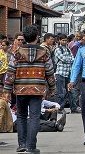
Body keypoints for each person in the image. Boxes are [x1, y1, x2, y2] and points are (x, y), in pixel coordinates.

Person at [2, 25, 56, 153]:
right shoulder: (44, 52)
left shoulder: (17, 52)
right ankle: (31, 146)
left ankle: (22, 144)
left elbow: (10, 72)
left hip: (20, 89)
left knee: (21, 115)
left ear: (24, 38)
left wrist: (7, 91)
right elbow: (49, 71)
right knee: (34, 117)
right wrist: (52, 88)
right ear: (37, 37)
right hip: (38, 89)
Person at [53, 34, 78, 113]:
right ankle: (60, 108)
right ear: (59, 40)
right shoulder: (57, 49)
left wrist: (69, 59)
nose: (64, 42)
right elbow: (63, 59)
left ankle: (74, 108)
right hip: (60, 73)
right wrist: (69, 59)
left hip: (68, 73)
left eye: (65, 40)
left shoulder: (67, 49)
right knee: (60, 92)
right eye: (63, 40)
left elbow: (73, 58)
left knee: (71, 91)